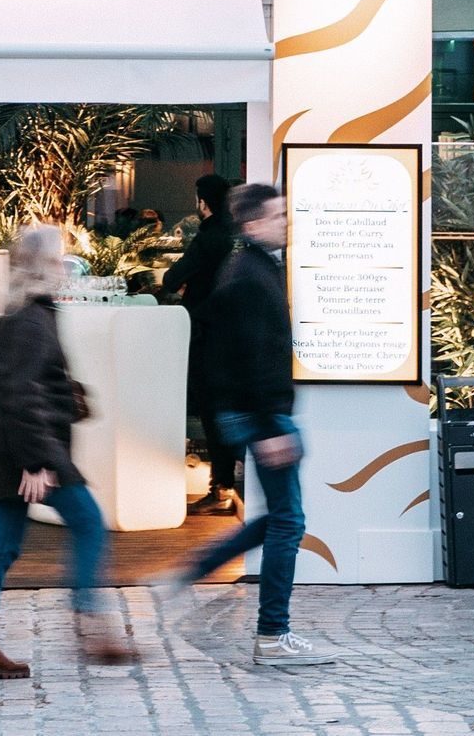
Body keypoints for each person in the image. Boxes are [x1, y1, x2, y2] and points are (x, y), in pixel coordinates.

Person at [158, 181, 333, 668]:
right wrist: (268, 425)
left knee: (278, 517)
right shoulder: (248, 276)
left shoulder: (253, 268)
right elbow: (248, 358)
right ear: (254, 223)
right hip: (265, 415)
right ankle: (273, 633)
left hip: (265, 412)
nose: (286, 223)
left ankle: (196, 568)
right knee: (287, 522)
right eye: (278, 216)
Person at [0, 225, 131, 679]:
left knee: (2, 546)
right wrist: (36, 463)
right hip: (29, 454)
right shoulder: (29, 320)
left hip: (8, 454)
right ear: (43, 265)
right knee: (89, 523)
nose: (65, 268)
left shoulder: (21, 312)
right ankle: (90, 622)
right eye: (58, 259)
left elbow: (24, 388)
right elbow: (22, 396)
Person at [160, 174, 241, 515]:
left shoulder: (209, 237)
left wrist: (187, 286)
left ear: (203, 202)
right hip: (236, 335)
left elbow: (171, 279)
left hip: (208, 337)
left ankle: (221, 487)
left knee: (211, 411)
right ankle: (229, 482)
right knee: (229, 410)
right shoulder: (238, 237)